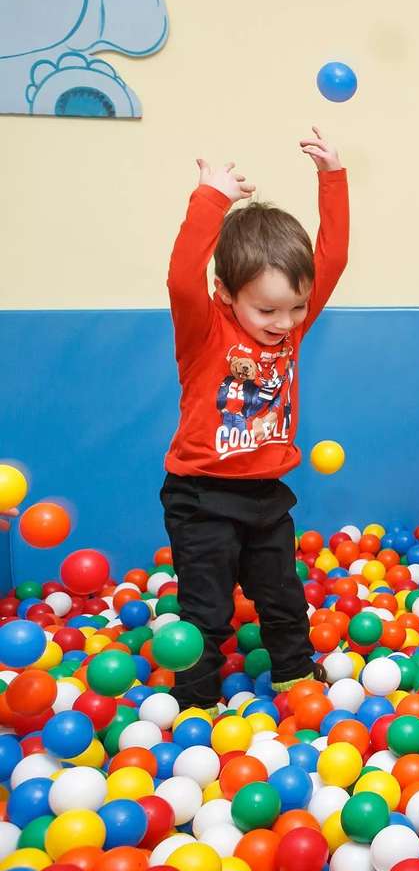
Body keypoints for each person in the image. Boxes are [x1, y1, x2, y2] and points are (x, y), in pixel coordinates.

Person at [160, 128, 349, 713]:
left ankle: (294, 676)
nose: (285, 322)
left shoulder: (288, 331)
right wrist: (211, 199)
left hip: (266, 495)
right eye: (267, 309)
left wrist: (333, 178)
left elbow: (333, 257)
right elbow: (178, 280)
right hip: (201, 496)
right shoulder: (206, 332)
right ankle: (195, 702)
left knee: (283, 596)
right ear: (227, 294)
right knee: (207, 609)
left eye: (297, 308)